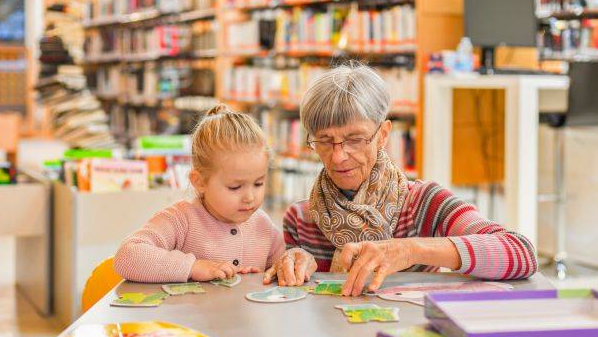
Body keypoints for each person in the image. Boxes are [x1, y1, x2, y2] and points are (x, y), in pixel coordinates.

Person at [263, 64, 537, 296]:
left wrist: (410, 250)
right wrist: (294, 264)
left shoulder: (424, 203)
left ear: (383, 134)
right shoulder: (301, 218)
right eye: (324, 141)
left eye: (355, 140)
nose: (338, 157)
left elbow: (520, 252)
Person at [114, 105, 285, 282]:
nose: (250, 197)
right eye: (235, 187)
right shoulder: (181, 219)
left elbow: (282, 265)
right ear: (200, 182)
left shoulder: (264, 226)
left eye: (258, 184)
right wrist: (192, 267)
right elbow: (127, 257)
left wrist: (281, 268)